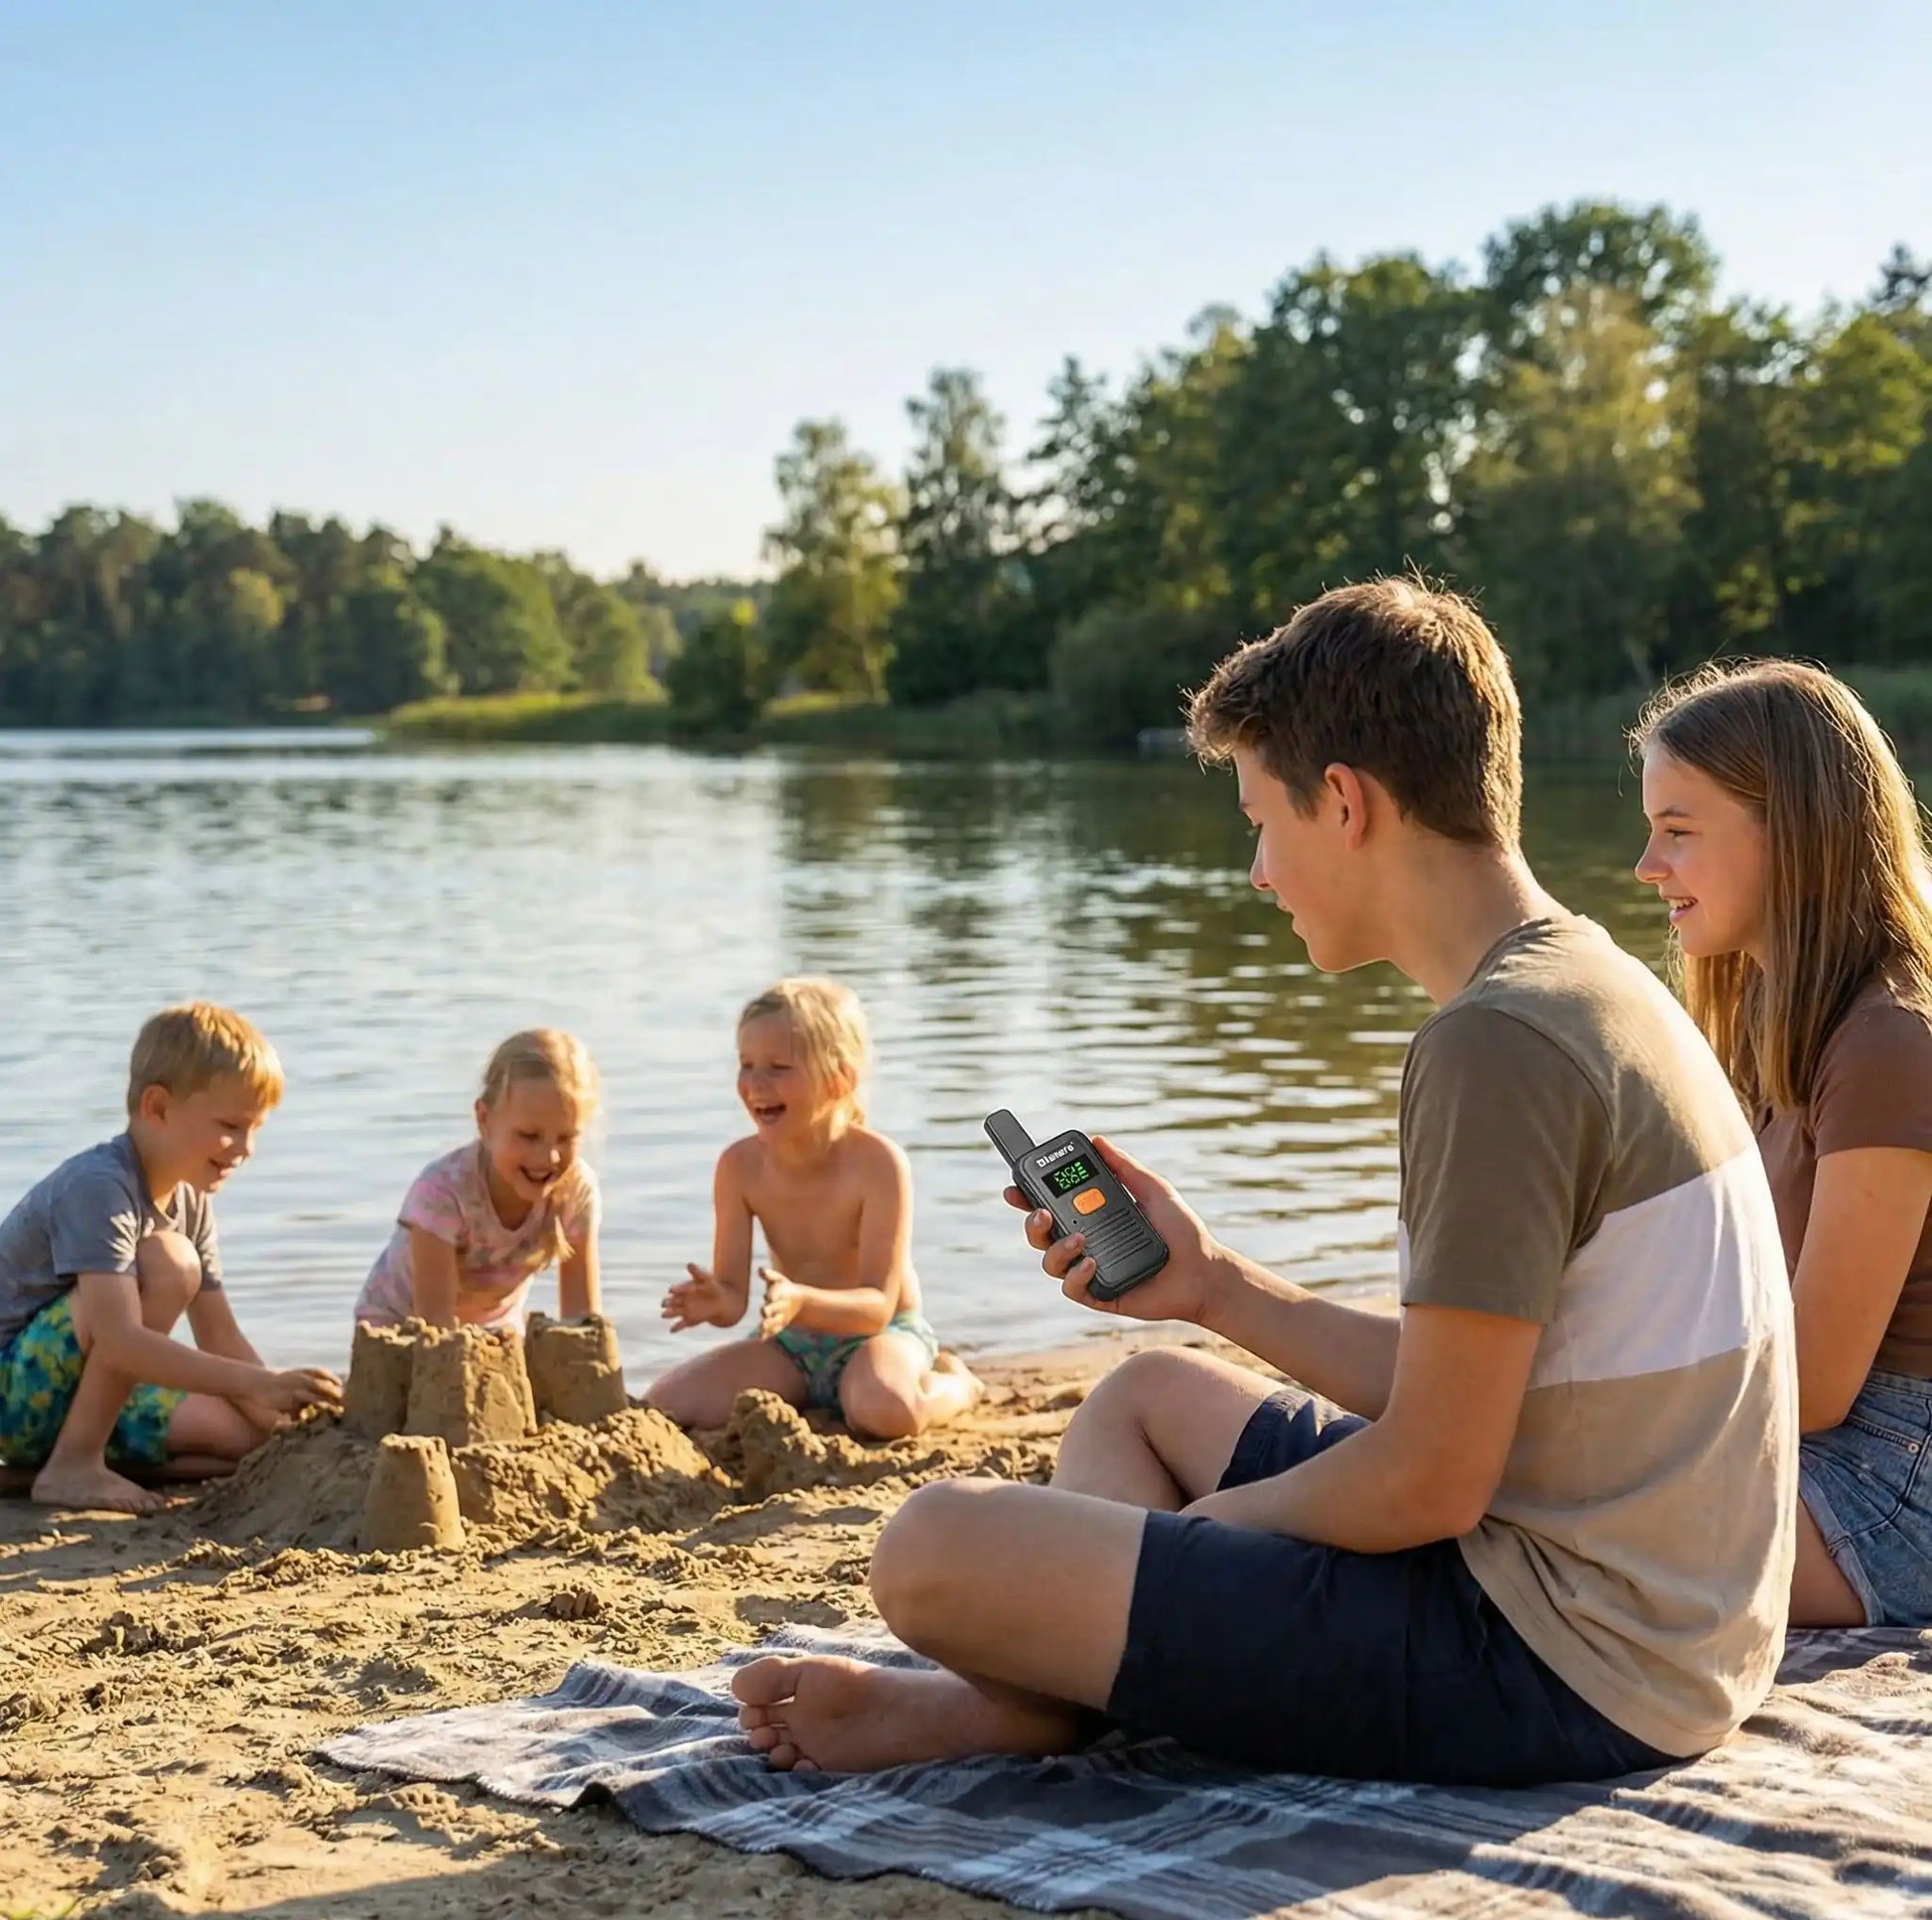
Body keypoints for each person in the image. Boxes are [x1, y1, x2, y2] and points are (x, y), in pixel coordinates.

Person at [731, 580, 1797, 1784]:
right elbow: (1479, 1388)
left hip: (1560, 1661)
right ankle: (1048, 1693)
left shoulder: (1493, 1045)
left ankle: (1041, 1695)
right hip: (1662, 1623)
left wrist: (1189, 1547)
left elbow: (1430, 1477)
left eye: (1257, 818)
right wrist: (1212, 1286)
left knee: (929, 1547)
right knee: (1140, 1397)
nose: (1253, 869)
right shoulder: (1584, 982)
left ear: (1341, 801)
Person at [1635, 661, 1932, 1629]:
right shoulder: (1782, 1014)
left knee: (1533, 1515)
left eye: (1677, 832)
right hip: (1818, 1443)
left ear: (1792, 833)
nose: (1646, 865)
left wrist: (1591, 1409)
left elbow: (1811, 1383)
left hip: (1890, 1482)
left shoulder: (1888, 1036)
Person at [0, 1003, 343, 1516]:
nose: (246, 1148)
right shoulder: (99, 1186)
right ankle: (74, 1463)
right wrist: (258, 1384)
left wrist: (289, 1411)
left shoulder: (191, 1201)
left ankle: (55, 1470)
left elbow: (220, 1337)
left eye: (256, 1128)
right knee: (170, 1261)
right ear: (157, 1108)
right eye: (231, 1124)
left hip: (89, 1397)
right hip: (15, 1392)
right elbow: (119, 1340)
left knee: (255, 1441)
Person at [645, 978, 980, 1440]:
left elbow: (877, 1309)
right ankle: (816, 1396)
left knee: (887, 1412)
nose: (755, 1084)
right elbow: (735, 1300)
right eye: (746, 1065)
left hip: (879, 1336)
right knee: (663, 1406)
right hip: (792, 1344)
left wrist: (802, 1301)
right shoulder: (738, 1166)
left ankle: (958, 1385)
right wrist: (716, 1300)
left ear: (840, 1078)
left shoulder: (878, 1165)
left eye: (779, 1067)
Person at [353, 1029, 603, 1336]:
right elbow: (435, 1331)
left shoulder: (575, 1191)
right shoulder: (443, 1193)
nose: (548, 1157)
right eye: (528, 1136)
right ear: (484, 1120)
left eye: (565, 1138)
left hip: (496, 1328)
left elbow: (582, 1323)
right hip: (397, 1327)